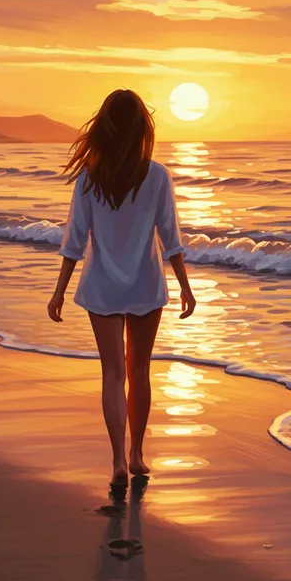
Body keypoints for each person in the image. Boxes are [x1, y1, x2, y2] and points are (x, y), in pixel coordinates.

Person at [47, 88, 196, 490]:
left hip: (102, 286)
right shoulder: (157, 175)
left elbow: (74, 241)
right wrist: (185, 286)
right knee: (139, 370)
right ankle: (136, 455)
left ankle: (116, 459)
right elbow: (171, 237)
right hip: (146, 283)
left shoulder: (90, 177)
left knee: (113, 373)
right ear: (141, 128)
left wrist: (59, 291)